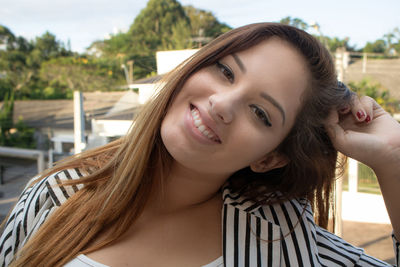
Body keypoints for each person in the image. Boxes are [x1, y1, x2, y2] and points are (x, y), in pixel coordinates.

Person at [0, 23, 399, 267]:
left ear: (270, 156)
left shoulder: (281, 243)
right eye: (225, 71)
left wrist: (394, 160)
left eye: (261, 113)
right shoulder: (57, 194)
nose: (222, 104)